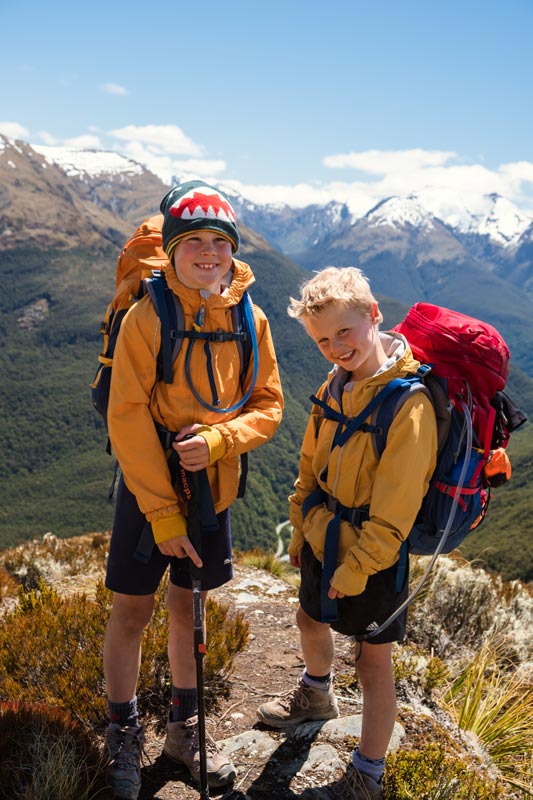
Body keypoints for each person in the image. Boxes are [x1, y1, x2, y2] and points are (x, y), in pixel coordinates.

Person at [103, 180, 283, 800]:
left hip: (214, 485)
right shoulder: (147, 315)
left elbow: (269, 405)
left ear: (232, 248)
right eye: (194, 242)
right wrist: (162, 514)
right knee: (132, 609)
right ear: (173, 248)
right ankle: (123, 731)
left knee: (190, 605)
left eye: (219, 242)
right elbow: (125, 416)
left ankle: (183, 731)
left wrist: (221, 441)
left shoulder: (250, 317)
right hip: (149, 485)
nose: (208, 253)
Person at [257, 267, 437, 800]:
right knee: (307, 616)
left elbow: (394, 513)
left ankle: (367, 773)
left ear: (374, 315)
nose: (335, 347)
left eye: (344, 332)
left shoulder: (410, 405)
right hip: (322, 534)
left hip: (375, 556)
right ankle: (316, 696)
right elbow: (309, 466)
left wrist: (356, 569)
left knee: (372, 660)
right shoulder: (333, 387)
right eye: (322, 340)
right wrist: (299, 532)